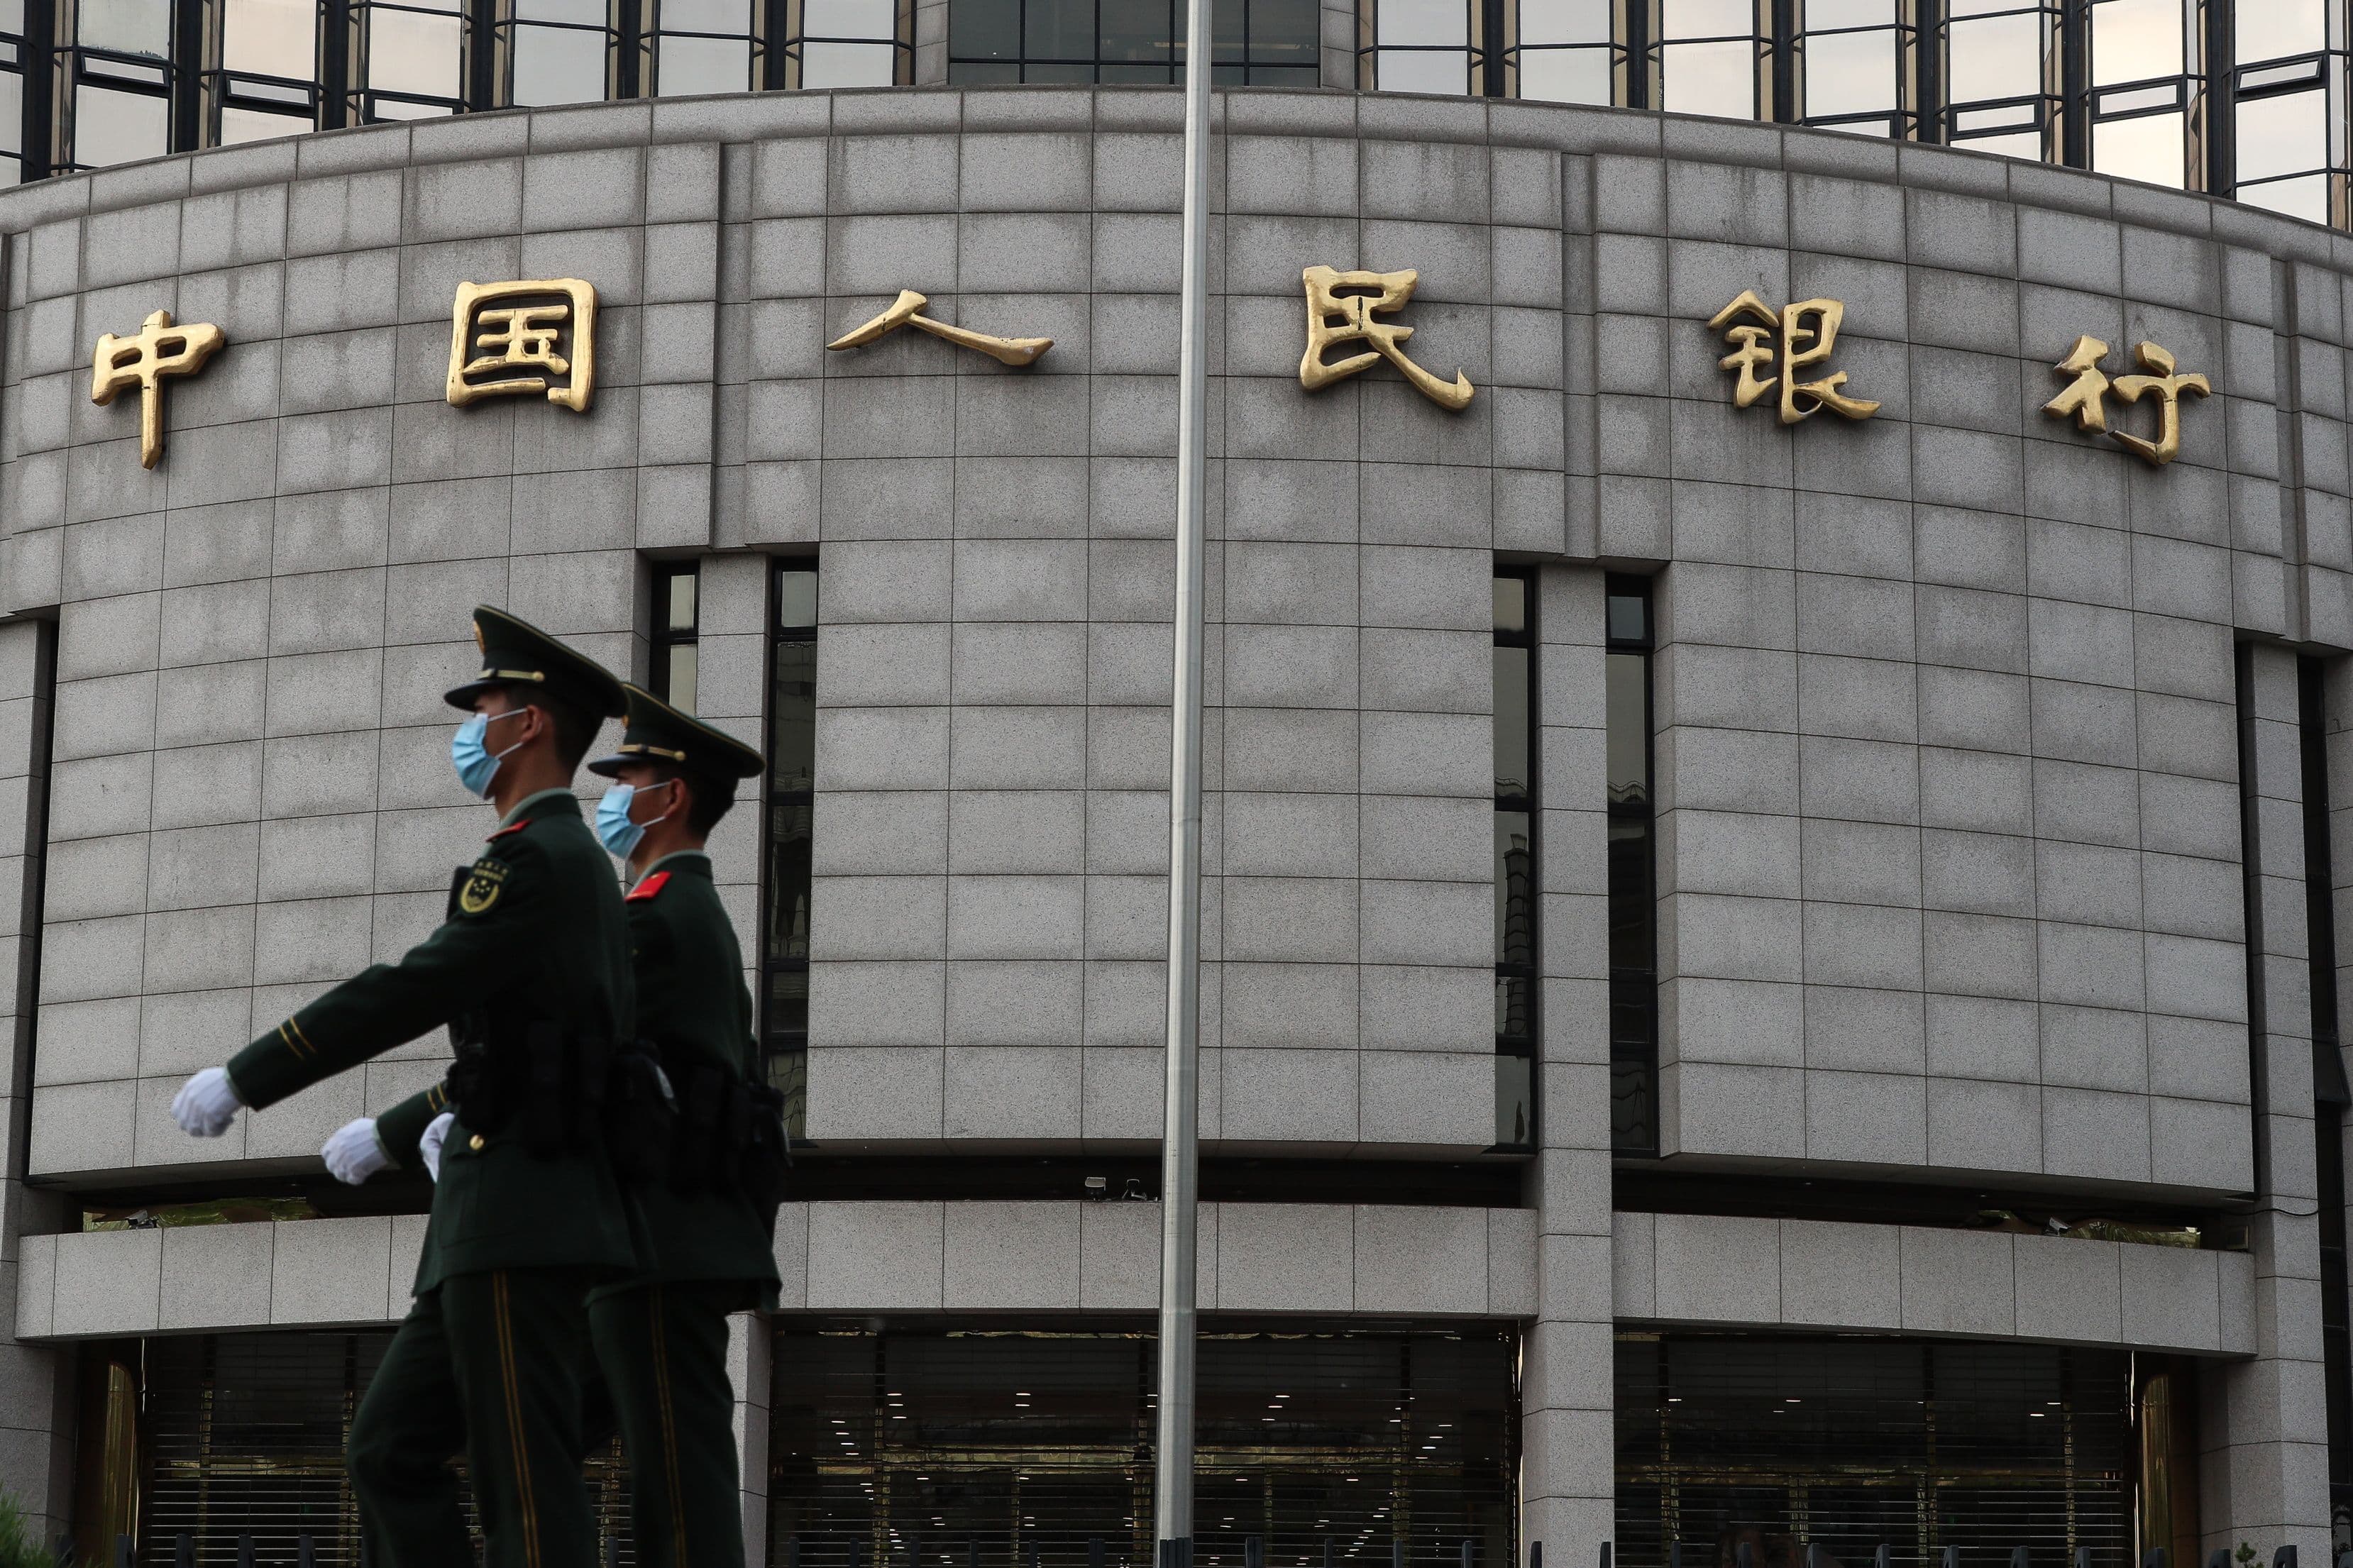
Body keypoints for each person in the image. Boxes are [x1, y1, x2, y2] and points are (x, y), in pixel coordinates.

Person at [177, 606, 639, 1568]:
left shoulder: (543, 860)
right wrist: (426, 1120)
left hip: (521, 1213)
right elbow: (518, 1046)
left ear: (533, 725)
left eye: (492, 704)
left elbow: (416, 985)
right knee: (387, 1449)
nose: (474, 724)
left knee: (526, 1481)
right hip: (489, 1210)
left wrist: (252, 1072)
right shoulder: (567, 865)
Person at [329, 682, 782, 1568]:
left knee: (674, 1488)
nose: (611, 795)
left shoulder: (658, 919)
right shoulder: (690, 917)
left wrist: (401, 1122)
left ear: (671, 796)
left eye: (632, 777)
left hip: (658, 1237)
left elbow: (561, 1044)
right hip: (660, 1230)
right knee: (548, 1454)